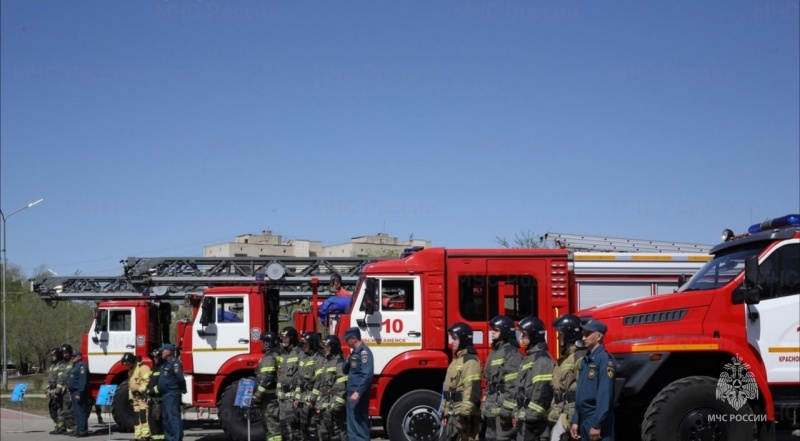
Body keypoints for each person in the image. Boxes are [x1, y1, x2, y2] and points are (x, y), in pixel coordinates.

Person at [569, 320, 615, 441]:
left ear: (599, 336)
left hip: (595, 418)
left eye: (587, 334)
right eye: (583, 334)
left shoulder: (604, 360)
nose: (583, 338)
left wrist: (597, 424)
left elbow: (604, 394)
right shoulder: (586, 359)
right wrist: (576, 420)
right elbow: (580, 393)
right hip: (584, 419)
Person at [513, 316, 555, 441]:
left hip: (536, 422)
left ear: (534, 335)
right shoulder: (530, 357)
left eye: (524, 334)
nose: (521, 338)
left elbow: (542, 391)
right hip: (525, 418)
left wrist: (532, 418)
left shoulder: (541, 359)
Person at [482, 315, 522, 441]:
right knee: (490, 438)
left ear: (504, 331)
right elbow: (489, 383)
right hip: (491, 407)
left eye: (496, 330)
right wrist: (484, 405)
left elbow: (512, 384)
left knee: (504, 438)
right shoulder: (494, 352)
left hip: (502, 409)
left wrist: (507, 410)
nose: (492, 332)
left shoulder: (511, 353)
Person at [440, 322, 481, 441]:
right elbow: (448, 390)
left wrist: (463, 416)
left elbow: (472, 391)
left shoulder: (470, 362)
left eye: (455, 338)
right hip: (453, 413)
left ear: (463, 339)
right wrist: (445, 412)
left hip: (463, 416)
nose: (452, 341)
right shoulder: (456, 360)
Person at [547, 314, 585, 441]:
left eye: (561, 334)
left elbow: (584, 391)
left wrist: (576, 419)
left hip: (571, 415)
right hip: (561, 413)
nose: (558, 337)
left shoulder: (579, 357)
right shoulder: (564, 359)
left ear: (570, 334)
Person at [342, 327, 373, 441]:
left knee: (359, 424)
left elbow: (367, 374)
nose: (345, 341)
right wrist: (347, 361)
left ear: (354, 338)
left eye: (347, 339)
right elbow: (345, 370)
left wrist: (358, 392)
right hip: (351, 393)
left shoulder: (364, 352)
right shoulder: (354, 353)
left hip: (357, 394)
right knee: (352, 425)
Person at [294, 331, 325, 441]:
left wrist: (312, 400)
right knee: (303, 428)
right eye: (303, 344)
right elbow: (298, 379)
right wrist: (297, 397)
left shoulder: (319, 359)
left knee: (313, 429)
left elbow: (319, 381)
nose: (304, 346)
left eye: (306, 343)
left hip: (313, 400)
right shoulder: (302, 356)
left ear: (312, 344)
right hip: (302, 399)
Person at [316, 335, 348, 441]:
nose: (324, 348)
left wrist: (334, 408)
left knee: (338, 436)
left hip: (334, 412)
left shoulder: (340, 364)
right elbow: (322, 386)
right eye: (323, 346)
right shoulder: (326, 363)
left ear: (333, 347)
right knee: (324, 435)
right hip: (324, 409)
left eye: (326, 346)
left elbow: (342, 389)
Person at [253, 331, 281, 441]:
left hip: (269, 398)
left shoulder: (269, 357)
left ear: (267, 344)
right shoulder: (277, 355)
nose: (261, 344)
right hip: (272, 396)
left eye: (262, 342)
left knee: (272, 426)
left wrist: (258, 395)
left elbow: (268, 378)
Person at [277, 326, 303, 440]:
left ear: (292, 338)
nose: (283, 340)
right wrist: (278, 393)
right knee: (283, 426)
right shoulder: (283, 354)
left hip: (293, 398)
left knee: (294, 427)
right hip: (282, 398)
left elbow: (301, 377)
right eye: (282, 337)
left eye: (286, 337)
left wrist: (297, 397)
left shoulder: (299, 353)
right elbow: (280, 375)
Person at [158, 344, 186, 441]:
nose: (161, 352)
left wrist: (183, 389)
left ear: (169, 352)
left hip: (172, 394)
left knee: (173, 418)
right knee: (166, 419)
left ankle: (176, 438)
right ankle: (170, 438)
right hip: (165, 395)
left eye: (163, 351)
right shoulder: (165, 363)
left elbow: (180, 379)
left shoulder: (174, 363)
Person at [123, 352, 152, 441]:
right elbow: (130, 385)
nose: (127, 365)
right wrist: (131, 397)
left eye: (128, 363)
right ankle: (138, 435)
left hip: (142, 397)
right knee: (136, 417)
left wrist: (141, 390)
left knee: (143, 416)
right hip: (135, 398)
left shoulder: (143, 368)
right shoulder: (131, 371)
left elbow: (147, 381)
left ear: (132, 361)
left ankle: (146, 435)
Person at [66, 350, 90, 438]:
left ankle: (83, 431)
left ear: (79, 357)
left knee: (81, 412)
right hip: (73, 392)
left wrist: (79, 393)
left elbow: (83, 381)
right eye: (72, 356)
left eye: (74, 356)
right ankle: (79, 430)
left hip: (79, 392)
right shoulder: (75, 366)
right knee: (76, 412)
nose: (72, 358)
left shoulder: (82, 366)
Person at [145, 348, 166, 441]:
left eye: (156, 357)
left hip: (158, 401)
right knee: (153, 422)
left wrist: (151, 391)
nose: (154, 359)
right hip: (154, 400)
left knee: (156, 422)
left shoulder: (163, 368)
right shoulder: (156, 368)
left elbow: (161, 385)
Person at [46, 347, 65, 434]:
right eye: (52, 355)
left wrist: (57, 392)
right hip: (51, 390)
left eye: (54, 355)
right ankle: (56, 426)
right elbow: (50, 379)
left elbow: (60, 379)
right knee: (52, 409)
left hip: (57, 391)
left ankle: (61, 427)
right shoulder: (52, 365)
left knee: (59, 409)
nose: (52, 357)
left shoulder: (61, 365)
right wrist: (47, 391)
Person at [59, 344, 77, 435]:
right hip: (63, 390)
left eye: (66, 353)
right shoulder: (62, 363)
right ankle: (68, 427)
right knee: (65, 410)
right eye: (63, 353)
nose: (64, 355)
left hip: (71, 390)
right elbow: (61, 377)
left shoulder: (73, 362)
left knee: (71, 410)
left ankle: (73, 428)